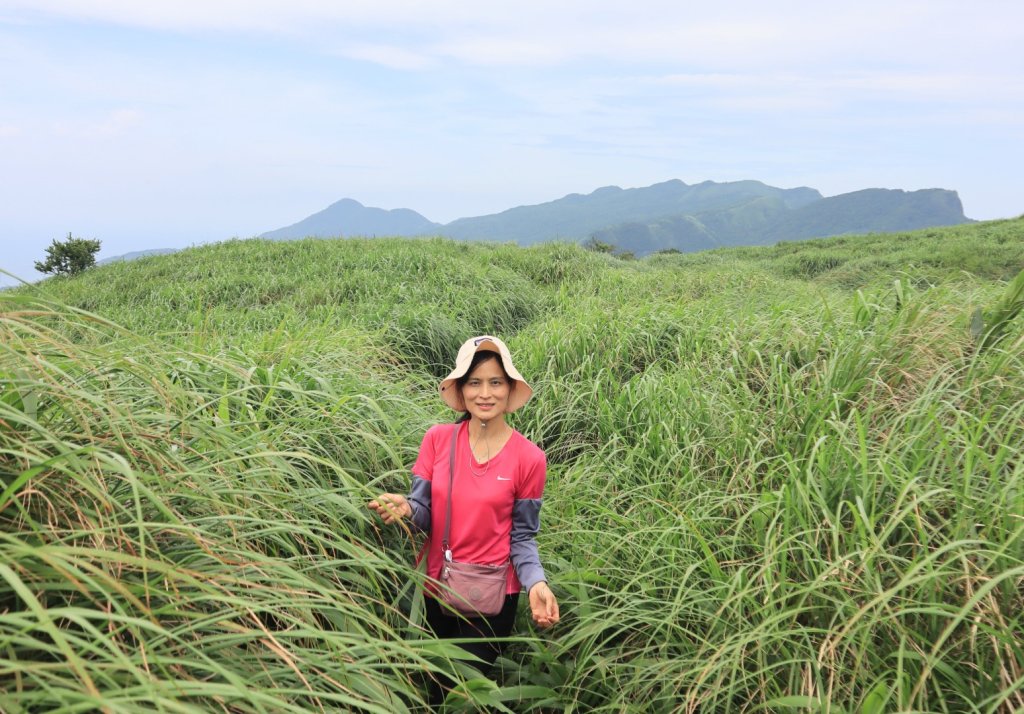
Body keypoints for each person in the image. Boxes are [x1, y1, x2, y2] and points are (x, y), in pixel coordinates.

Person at [368, 335, 559, 704]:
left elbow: (522, 536)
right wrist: (406, 509)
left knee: (459, 692)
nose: (485, 393)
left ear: (509, 389)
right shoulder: (438, 440)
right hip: (437, 588)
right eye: (474, 382)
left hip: (494, 599)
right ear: (460, 388)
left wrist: (536, 584)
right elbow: (423, 513)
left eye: (495, 382)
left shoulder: (530, 459)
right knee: (437, 683)